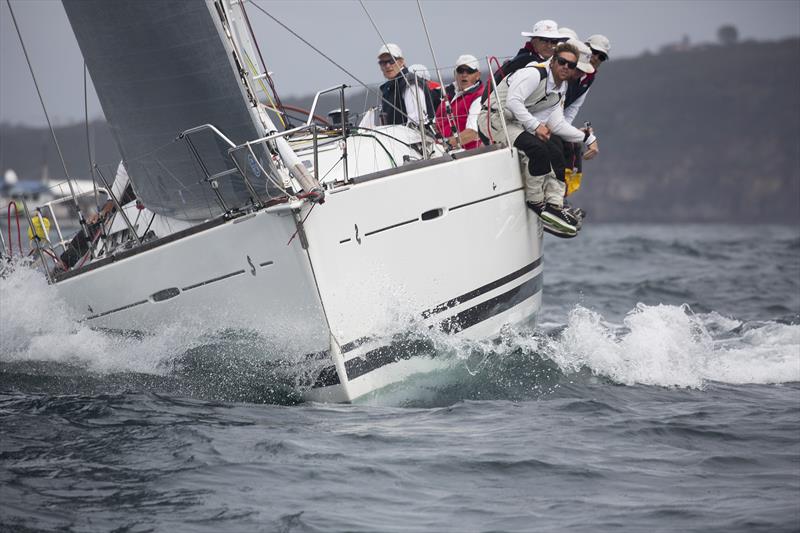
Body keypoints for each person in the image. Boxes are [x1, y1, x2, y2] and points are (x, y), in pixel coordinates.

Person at [478, 42, 599, 237]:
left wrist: (588, 137)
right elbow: (513, 102)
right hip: (493, 119)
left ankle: (555, 206)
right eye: (562, 62)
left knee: (556, 154)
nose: (566, 68)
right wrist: (535, 126)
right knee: (538, 150)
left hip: (516, 123)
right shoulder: (534, 74)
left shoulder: (561, 88)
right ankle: (536, 203)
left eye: (571, 65)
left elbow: (557, 124)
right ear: (553, 61)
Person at [434, 55, 484, 150]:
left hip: (468, 153)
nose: (464, 74)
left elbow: (473, 132)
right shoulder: (448, 93)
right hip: (442, 151)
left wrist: (445, 145)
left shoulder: (479, 97)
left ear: (478, 75)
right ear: (455, 74)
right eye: (460, 70)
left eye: (470, 71)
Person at [377, 43, 434, 126]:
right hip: (393, 136)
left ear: (401, 62)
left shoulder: (410, 82)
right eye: (383, 63)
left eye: (392, 61)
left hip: (415, 137)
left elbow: (416, 121)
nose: (387, 66)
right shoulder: (388, 88)